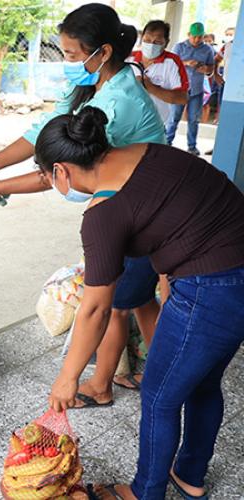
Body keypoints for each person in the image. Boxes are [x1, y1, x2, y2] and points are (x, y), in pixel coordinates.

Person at [0, 3, 166, 407]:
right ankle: (153, 370)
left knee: (116, 303)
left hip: (145, 210)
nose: (67, 63)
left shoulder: (117, 103)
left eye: (71, 55)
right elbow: (43, 134)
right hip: (131, 204)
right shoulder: (90, 85)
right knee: (138, 297)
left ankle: (104, 385)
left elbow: (63, 170)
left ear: (102, 52)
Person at [41, 106, 244, 500]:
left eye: (48, 175)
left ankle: (145, 492)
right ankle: (189, 474)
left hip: (210, 288)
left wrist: (67, 379)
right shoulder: (150, 151)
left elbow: (97, 308)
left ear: (62, 171)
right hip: (235, 270)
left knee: (158, 396)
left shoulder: (103, 214)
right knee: (204, 384)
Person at [165, 22, 216, 155]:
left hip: (197, 90)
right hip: (179, 89)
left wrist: (206, 69)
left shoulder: (207, 50)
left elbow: (211, 67)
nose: (197, 40)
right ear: (189, 35)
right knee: (173, 118)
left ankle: (192, 146)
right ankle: (167, 143)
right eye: (194, 37)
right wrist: (186, 62)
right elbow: (170, 64)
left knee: (194, 120)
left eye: (200, 37)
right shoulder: (179, 47)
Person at [126, 20, 189, 125]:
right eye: (147, 40)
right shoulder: (128, 58)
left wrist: (151, 87)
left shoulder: (172, 62)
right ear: (141, 39)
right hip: (125, 121)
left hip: (155, 125)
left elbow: (182, 98)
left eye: (157, 42)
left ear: (166, 43)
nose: (151, 45)